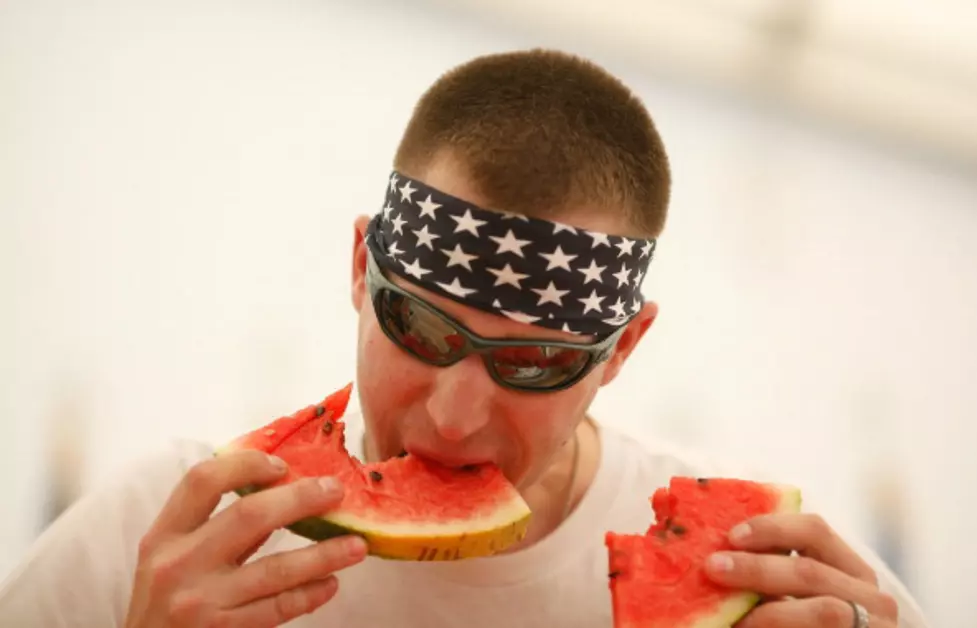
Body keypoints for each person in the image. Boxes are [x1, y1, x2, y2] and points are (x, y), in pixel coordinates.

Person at [0, 49, 929, 628]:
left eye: (533, 364)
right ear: (362, 269)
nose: (451, 415)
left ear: (622, 350)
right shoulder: (157, 535)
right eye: (417, 325)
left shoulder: (775, 588)